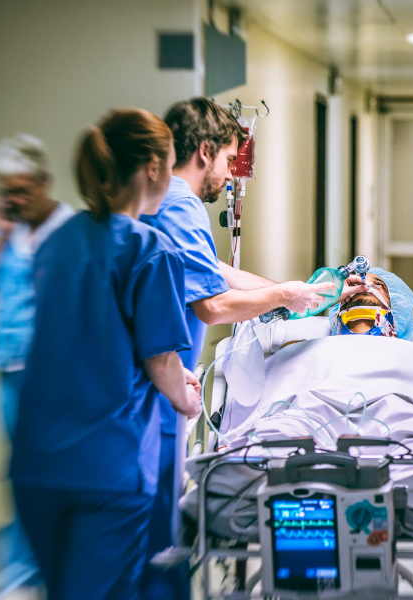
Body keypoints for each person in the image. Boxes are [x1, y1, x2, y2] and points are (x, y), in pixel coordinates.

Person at [139, 97, 365, 599]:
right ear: (205, 151)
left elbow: (216, 272)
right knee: (154, 530)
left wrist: (305, 297)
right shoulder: (182, 204)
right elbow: (214, 305)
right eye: (227, 160)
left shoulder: (166, 203)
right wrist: (286, 296)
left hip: (160, 380)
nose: (229, 173)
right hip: (160, 387)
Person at [9, 108, 202, 600]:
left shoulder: (57, 241)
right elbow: (160, 362)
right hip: (108, 469)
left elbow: (82, 337)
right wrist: (187, 397)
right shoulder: (150, 249)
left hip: (37, 462)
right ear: (155, 168)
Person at [0, 134, 73, 600]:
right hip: (8, 369)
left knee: (47, 473)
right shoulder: (7, 230)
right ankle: (18, 577)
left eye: (21, 189)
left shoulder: (69, 228)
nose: (14, 198)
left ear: (43, 181)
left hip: (53, 376)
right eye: (6, 190)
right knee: (19, 473)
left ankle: (44, 571)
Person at [328, 268, 413, 340]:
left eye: (378, 284)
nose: (366, 286)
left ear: (393, 304)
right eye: (355, 284)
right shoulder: (318, 349)